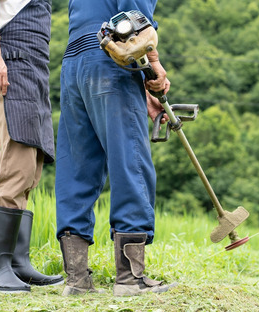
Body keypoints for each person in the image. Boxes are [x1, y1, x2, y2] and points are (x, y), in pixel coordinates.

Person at [55, 0, 177, 296]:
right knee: (130, 160)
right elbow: (137, 25)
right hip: (111, 63)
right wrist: (155, 67)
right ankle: (130, 279)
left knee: (77, 166)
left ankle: (77, 280)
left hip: (74, 65)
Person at [0, 0, 63, 293]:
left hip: (32, 70)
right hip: (10, 64)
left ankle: (16, 263)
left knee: (30, 170)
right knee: (17, 166)